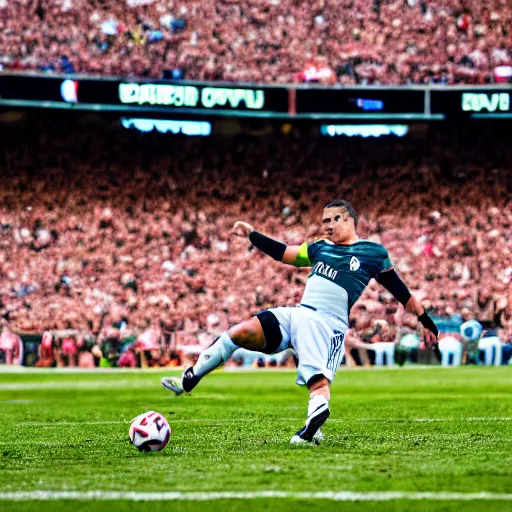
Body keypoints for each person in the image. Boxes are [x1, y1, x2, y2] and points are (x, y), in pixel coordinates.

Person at [165, 199, 439, 444]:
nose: (328, 225)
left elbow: (402, 293)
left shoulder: (373, 252)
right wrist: (252, 235)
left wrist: (425, 320)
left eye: (334, 219)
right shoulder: (319, 248)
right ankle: (192, 377)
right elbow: (284, 252)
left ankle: (310, 429)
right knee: (239, 332)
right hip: (298, 313)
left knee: (317, 382)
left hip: (327, 322)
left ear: (350, 220)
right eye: (324, 221)